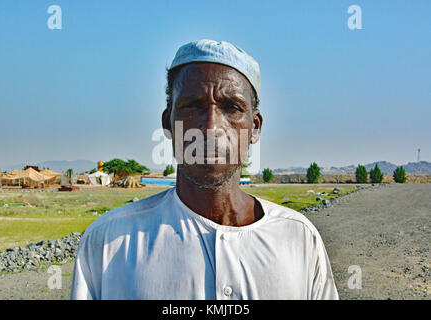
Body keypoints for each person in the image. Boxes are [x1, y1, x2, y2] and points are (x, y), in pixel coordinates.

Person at [71, 39, 339, 300]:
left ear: (254, 127)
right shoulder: (109, 243)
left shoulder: (298, 238)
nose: (211, 127)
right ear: (168, 123)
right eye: (193, 106)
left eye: (231, 108)